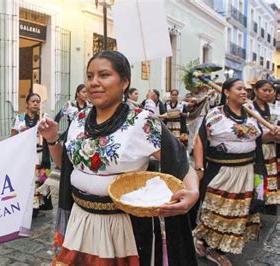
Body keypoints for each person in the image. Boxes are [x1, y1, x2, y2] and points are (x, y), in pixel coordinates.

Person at [39, 51, 199, 265]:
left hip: (123, 227)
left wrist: (193, 193)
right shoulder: (78, 119)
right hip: (80, 219)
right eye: (90, 76)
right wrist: (51, 140)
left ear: (124, 82)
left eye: (104, 75)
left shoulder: (142, 122)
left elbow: (180, 163)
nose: (93, 82)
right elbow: (67, 166)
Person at [192, 78, 280, 266]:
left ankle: (218, 248)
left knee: (239, 213)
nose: (243, 92)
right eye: (239, 89)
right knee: (217, 211)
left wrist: (271, 135)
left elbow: (258, 139)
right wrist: (199, 168)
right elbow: (200, 140)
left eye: (245, 90)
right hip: (222, 171)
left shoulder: (251, 115)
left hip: (247, 170)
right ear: (226, 92)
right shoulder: (216, 114)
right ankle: (209, 247)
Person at [11, 93, 52, 218]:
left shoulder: (44, 118)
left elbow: (50, 134)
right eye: (33, 101)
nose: (36, 104)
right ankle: (24, 206)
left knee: (39, 181)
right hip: (25, 155)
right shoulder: (20, 118)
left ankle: (36, 207)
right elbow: (13, 136)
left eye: (38, 102)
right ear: (27, 103)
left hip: (39, 154)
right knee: (26, 180)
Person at [251, 80, 279, 213]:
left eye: (270, 90)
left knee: (270, 178)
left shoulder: (275, 108)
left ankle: (268, 207)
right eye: (264, 90)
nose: (267, 93)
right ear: (255, 90)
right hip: (255, 150)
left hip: (271, 150)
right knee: (256, 178)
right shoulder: (248, 107)